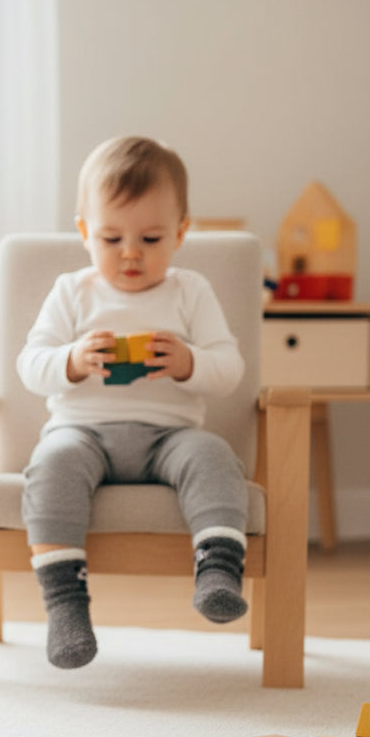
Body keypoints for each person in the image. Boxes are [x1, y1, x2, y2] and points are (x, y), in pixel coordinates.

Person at [18, 136, 248, 670]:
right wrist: (73, 359)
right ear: (83, 232)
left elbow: (229, 368)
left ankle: (217, 571)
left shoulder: (190, 292)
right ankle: (66, 606)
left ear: (182, 233)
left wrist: (188, 361)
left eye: (150, 237)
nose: (130, 252)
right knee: (51, 463)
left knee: (212, 454)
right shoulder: (72, 291)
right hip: (82, 432)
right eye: (111, 236)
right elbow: (30, 364)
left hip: (169, 436)